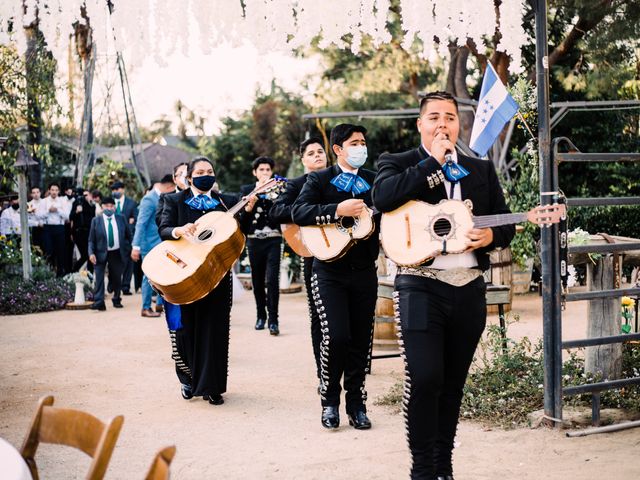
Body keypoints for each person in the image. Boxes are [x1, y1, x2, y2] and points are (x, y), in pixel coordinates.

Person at [371, 91, 516, 480]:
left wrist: (491, 238)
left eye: (450, 117)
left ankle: (444, 465)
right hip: (419, 284)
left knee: (452, 384)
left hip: (469, 286)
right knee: (426, 377)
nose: (442, 124)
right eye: (433, 117)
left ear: (458, 124)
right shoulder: (396, 162)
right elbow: (382, 198)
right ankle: (422, 468)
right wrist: (433, 163)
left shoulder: (479, 169)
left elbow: (505, 224)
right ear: (420, 124)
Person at [292, 123, 379, 431]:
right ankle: (330, 400)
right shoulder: (319, 178)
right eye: (354, 143)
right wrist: (335, 209)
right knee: (337, 336)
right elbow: (299, 211)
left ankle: (357, 404)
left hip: (365, 272)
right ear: (339, 149)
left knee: (360, 341)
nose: (361, 147)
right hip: (328, 272)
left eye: (363, 142)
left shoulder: (373, 180)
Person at [158, 156, 239, 405]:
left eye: (211, 171)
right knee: (186, 329)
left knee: (216, 329)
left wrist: (247, 210)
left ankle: (212, 386)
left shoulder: (224, 202)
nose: (207, 175)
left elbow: (237, 231)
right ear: (189, 178)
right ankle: (188, 379)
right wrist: (178, 230)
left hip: (217, 274)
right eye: (201, 171)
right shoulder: (173, 200)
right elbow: (163, 228)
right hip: (184, 274)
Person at [269, 137, 328, 382]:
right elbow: (275, 212)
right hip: (311, 253)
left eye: (320, 151)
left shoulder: (340, 179)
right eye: (311, 153)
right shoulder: (295, 185)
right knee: (319, 315)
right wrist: (308, 213)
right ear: (303, 160)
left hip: (345, 253)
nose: (317, 155)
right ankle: (323, 371)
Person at [240, 156, 282, 336]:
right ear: (254, 172)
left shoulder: (279, 188)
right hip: (254, 240)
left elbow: (282, 212)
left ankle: (274, 320)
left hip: (274, 239)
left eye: (267, 170)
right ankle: (260, 316)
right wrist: (253, 198)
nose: (265, 173)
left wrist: (273, 194)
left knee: (272, 280)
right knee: (257, 280)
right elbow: (243, 221)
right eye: (261, 170)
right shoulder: (247, 190)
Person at [132, 174, 175, 318]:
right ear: (169, 186)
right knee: (148, 277)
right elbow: (141, 223)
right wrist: (136, 246)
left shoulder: (162, 197)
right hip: (148, 244)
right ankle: (145, 307)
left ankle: (159, 303)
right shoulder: (149, 199)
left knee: (162, 275)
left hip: (161, 243)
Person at [88, 196, 132, 311]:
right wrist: (91, 253)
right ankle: (99, 301)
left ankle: (117, 299)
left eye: (111, 206)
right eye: (106, 206)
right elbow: (91, 240)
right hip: (100, 252)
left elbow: (129, 235)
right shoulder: (96, 221)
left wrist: (129, 249)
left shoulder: (121, 218)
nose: (109, 208)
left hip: (117, 252)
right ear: (102, 207)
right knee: (99, 277)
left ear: (114, 207)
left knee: (117, 277)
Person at [37, 183, 71, 277]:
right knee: (48, 250)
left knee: (60, 251)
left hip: (59, 227)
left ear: (58, 191)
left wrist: (57, 210)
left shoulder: (62, 201)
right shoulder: (44, 201)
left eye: (56, 190)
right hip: (47, 228)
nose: (54, 192)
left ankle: (60, 274)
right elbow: (38, 215)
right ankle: (48, 272)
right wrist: (48, 211)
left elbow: (67, 216)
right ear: (49, 190)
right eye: (52, 190)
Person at [110, 181, 137, 295]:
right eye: (113, 190)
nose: (115, 192)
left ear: (123, 190)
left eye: (117, 189)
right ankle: (112, 285)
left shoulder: (131, 203)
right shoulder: (110, 204)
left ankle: (125, 286)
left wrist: (130, 224)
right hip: (113, 238)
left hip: (127, 237)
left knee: (128, 263)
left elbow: (135, 218)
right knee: (113, 263)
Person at [70, 188, 96, 272]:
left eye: (86, 195)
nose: (84, 197)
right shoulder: (76, 203)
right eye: (83, 195)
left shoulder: (91, 205)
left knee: (90, 254)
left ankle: (90, 276)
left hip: (89, 232)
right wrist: (77, 211)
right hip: (78, 233)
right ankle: (74, 271)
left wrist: (90, 202)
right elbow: (71, 217)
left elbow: (93, 217)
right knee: (85, 255)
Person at [156, 162, 188, 227]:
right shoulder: (165, 197)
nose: (185, 178)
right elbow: (160, 220)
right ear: (174, 179)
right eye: (181, 174)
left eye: (188, 174)